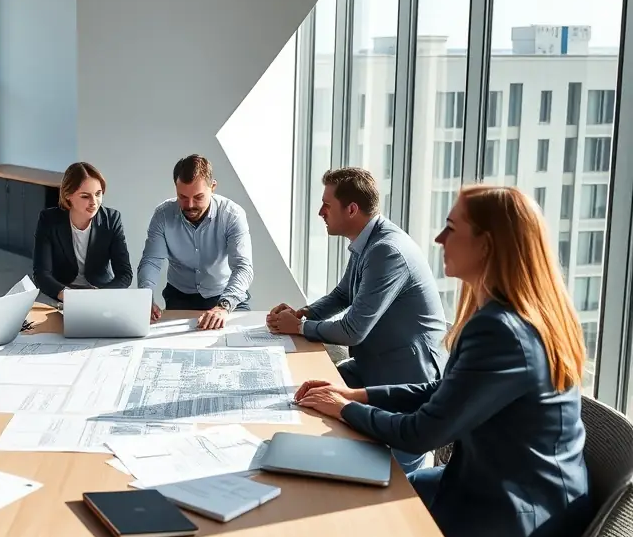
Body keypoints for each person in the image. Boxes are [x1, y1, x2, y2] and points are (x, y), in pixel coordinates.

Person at [294, 185, 594, 537]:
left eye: (452, 228)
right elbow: (440, 391)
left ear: (487, 245)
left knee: (328, 533)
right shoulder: (508, 315)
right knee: (343, 506)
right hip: (498, 486)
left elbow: (422, 433)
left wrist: (343, 410)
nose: (438, 240)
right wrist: (358, 395)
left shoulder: (501, 330)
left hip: (514, 514)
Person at [267, 167, 447, 474]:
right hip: (374, 361)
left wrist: (297, 328)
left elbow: (353, 329)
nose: (320, 212)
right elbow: (342, 295)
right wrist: (303, 314)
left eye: (327, 204)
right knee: (308, 393)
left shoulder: (386, 250)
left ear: (351, 209)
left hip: (407, 375)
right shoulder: (368, 242)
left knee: (399, 480)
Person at [137, 154, 253, 330]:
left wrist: (224, 307)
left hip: (224, 295)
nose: (190, 205)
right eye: (182, 197)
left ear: (212, 187)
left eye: (198, 197)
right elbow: (151, 262)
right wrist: (146, 298)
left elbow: (243, 267)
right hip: (180, 296)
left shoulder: (232, 215)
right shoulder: (162, 215)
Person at [32, 161, 133, 302]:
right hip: (62, 292)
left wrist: (101, 295)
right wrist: (67, 295)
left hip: (101, 292)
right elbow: (41, 274)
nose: (94, 202)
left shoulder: (112, 219)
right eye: (85, 196)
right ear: (68, 195)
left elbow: (125, 275)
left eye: (98, 194)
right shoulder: (48, 220)